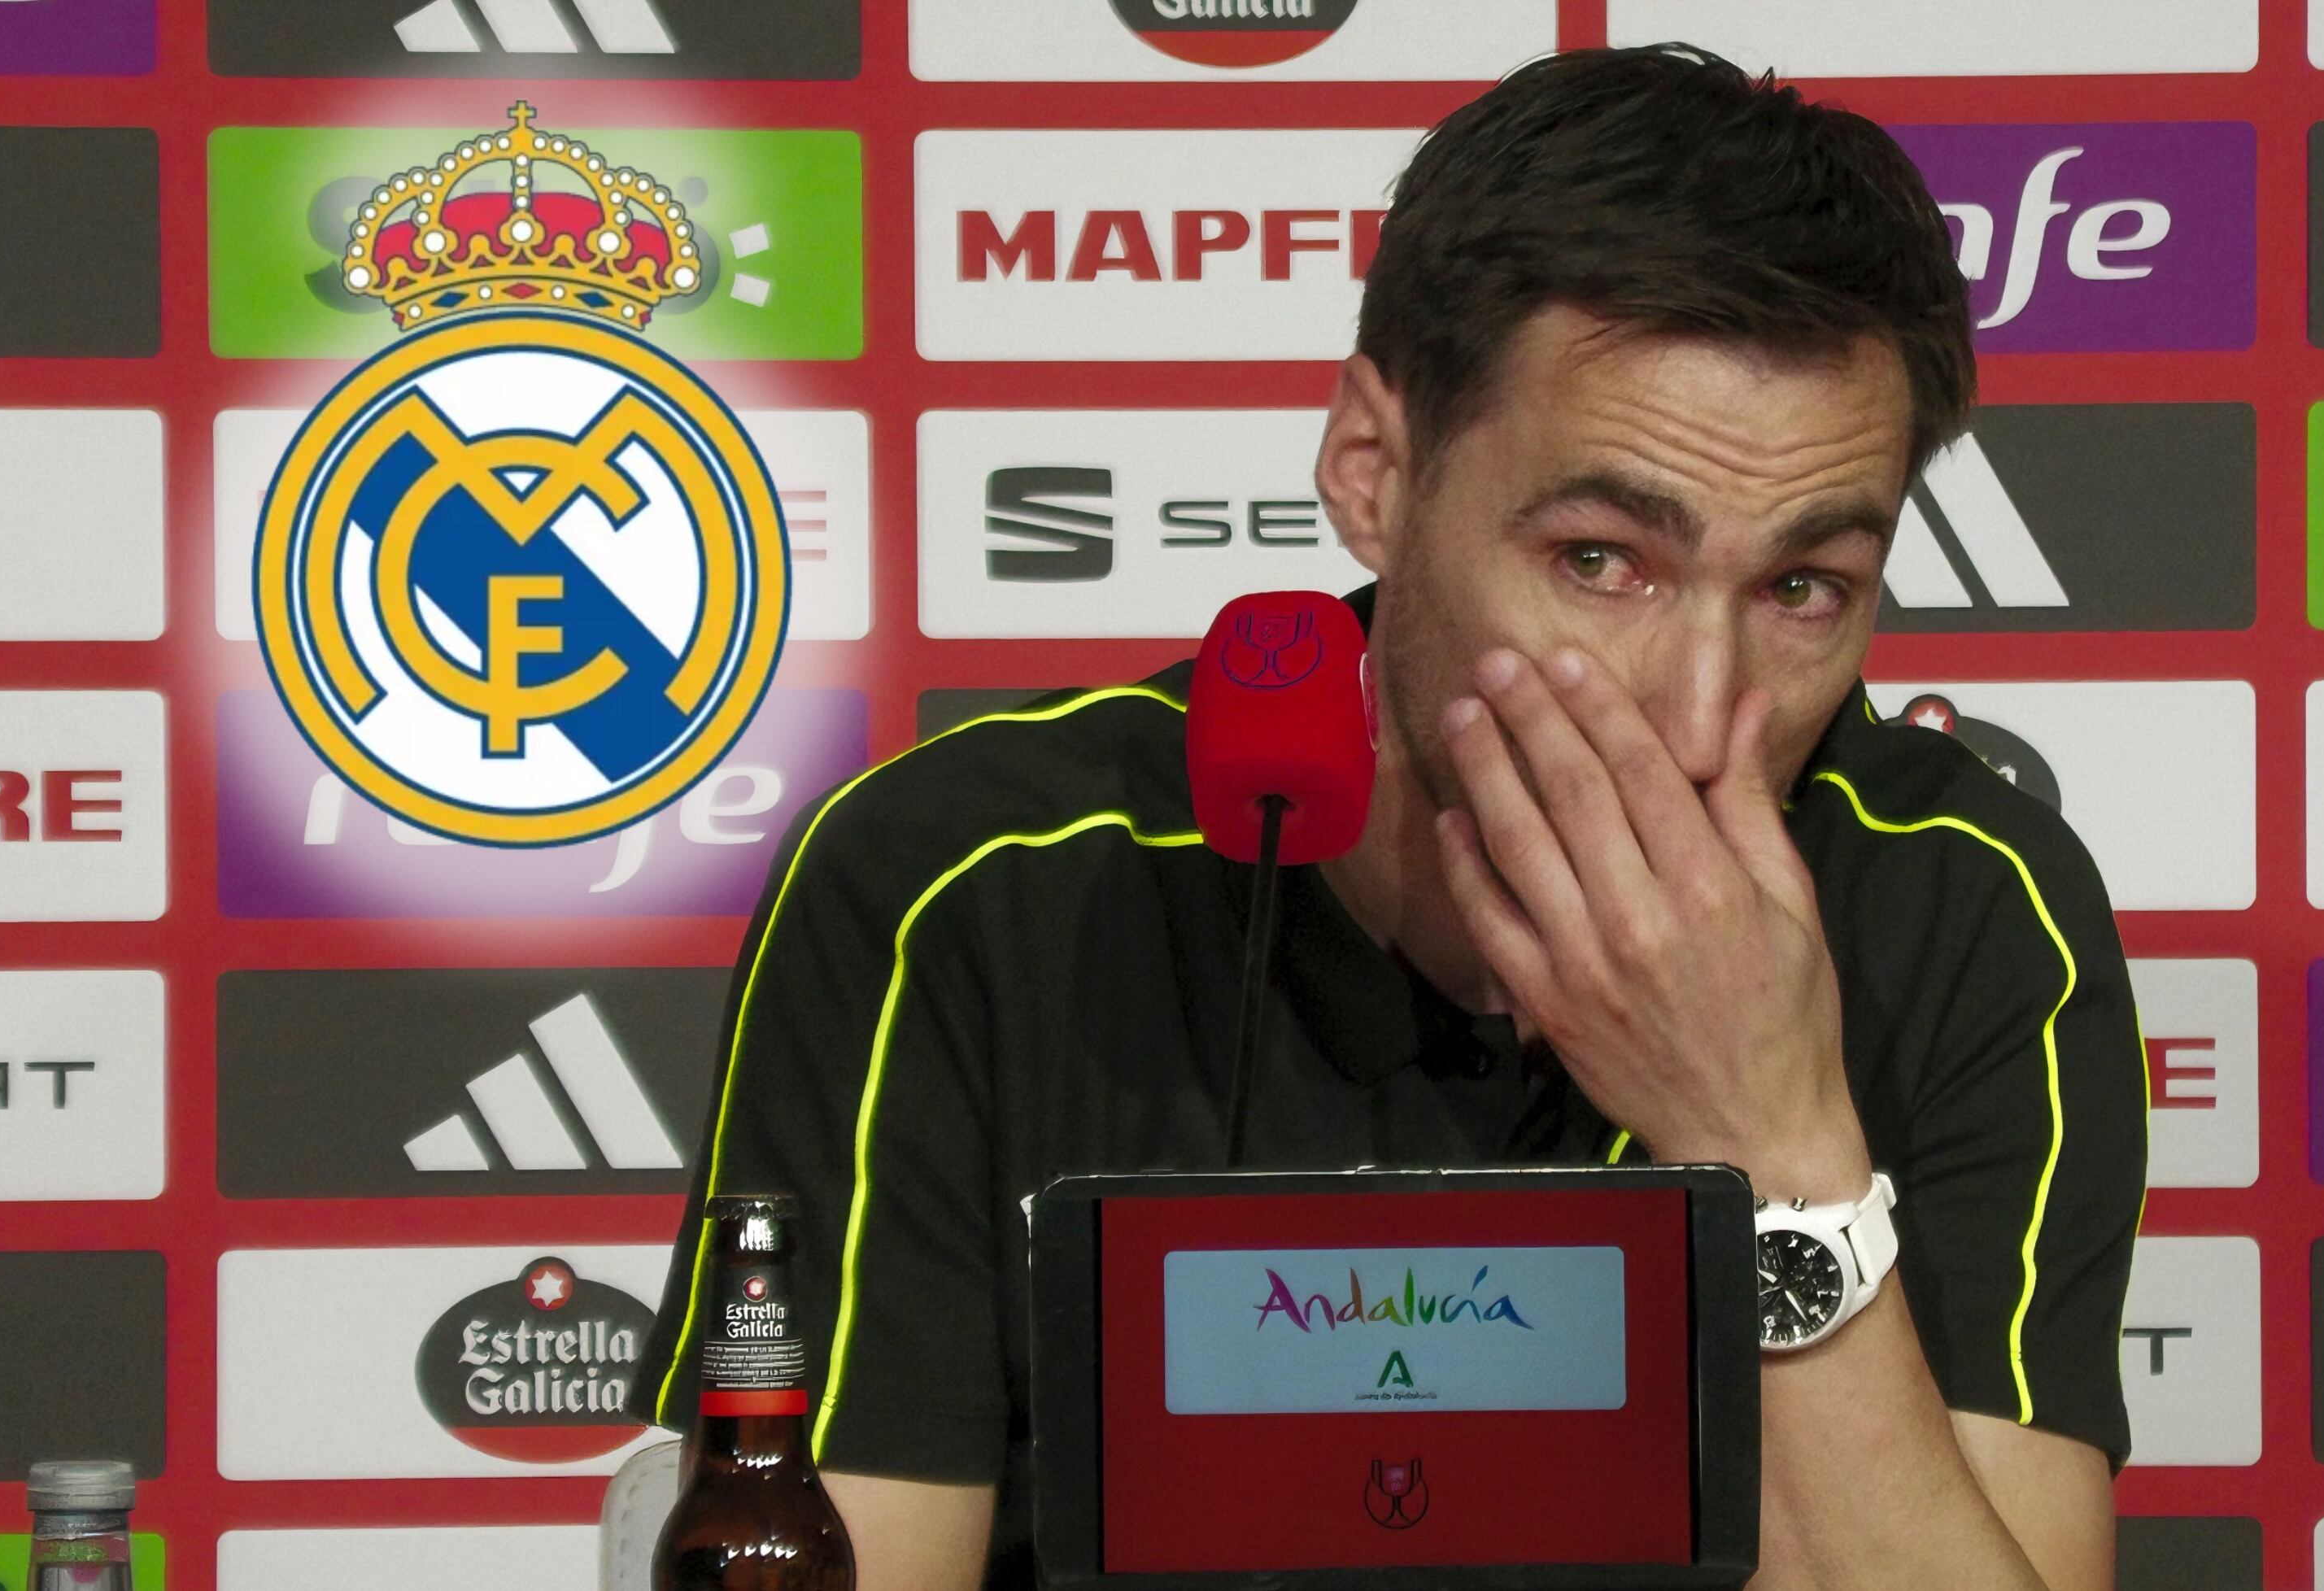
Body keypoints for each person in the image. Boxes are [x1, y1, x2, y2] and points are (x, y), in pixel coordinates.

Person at [635, 41, 2147, 1591]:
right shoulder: (970, 886)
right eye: (1601, 559)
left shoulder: (1968, 904)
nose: (1700, 720)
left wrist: (1775, 1153)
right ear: (1374, 467)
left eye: (1803, 589)